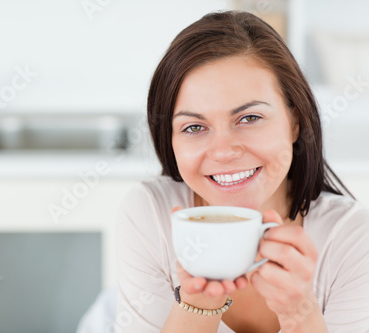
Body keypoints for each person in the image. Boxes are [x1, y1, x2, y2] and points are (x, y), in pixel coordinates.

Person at [115, 10, 369, 333]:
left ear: (295, 122)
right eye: (194, 126)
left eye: (249, 118)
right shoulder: (149, 214)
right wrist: (198, 303)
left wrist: (298, 314)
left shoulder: (351, 239)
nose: (223, 152)